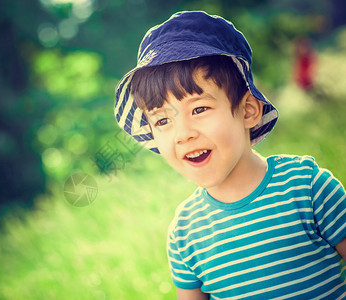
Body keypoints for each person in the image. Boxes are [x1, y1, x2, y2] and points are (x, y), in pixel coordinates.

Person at [114, 11, 346, 299]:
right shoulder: (185, 234)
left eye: (199, 109)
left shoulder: (306, 187)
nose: (183, 133)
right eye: (162, 121)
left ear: (248, 110)